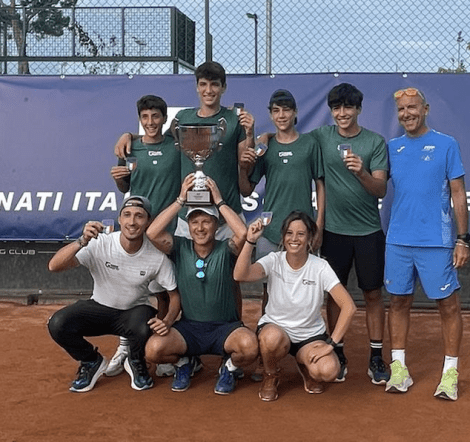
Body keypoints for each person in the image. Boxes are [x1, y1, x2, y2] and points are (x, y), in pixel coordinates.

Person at [384, 87, 470, 401]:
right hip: (398, 241)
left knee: (448, 306)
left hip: (437, 242)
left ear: (426, 109)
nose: (407, 114)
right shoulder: (392, 148)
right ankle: (399, 368)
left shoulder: (447, 145)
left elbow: (458, 193)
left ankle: (450, 373)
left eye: (412, 107)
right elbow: (376, 183)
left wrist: (462, 239)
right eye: (401, 110)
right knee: (398, 303)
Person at [47, 195, 180, 392]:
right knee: (57, 323)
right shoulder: (100, 243)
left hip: (133, 315)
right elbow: (54, 266)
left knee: (145, 321)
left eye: (139, 216)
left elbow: (173, 295)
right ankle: (92, 361)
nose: (132, 222)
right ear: (119, 219)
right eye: (127, 215)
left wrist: (167, 321)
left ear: (148, 222)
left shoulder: (157, 257)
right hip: (98, 309)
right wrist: (82, 240)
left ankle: (135, 361)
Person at [114, 61, 255, 240]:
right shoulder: (182, 117)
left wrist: (250, 133)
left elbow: (246, 164)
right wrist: (128, 136)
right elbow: (156, 139)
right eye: (203, 84)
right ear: (197, 87)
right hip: (189, 218)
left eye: (214, 85)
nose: (209, 90)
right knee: (187, 267)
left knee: (231, 268)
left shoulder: (235, 120)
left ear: (223, 88)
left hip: (227, 216)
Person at [145, 174, 259, 395]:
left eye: (206, 221)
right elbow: (151, 232)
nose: (200, 227)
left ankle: (229, 367)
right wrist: (180, 199)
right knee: (153, 350)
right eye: (194, 222)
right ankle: (184, 364)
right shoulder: (180, 247)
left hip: (225, 328)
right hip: (189, 329)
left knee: (250, 347)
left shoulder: (227, 249)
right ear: (188, 226)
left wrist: (219, 201)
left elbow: (243, 233)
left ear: (216, 224)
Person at [239, 89, 325, 380]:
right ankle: (267, 356)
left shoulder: (310, 144)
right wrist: (246, 160)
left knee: (308, 290)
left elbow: (320, 185)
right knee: (269, 292)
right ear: (271, 114)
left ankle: (304, 349)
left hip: (303, 232)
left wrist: (319, 225)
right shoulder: (266, 145)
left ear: (295, 112)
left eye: (286, 110)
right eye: (276, 111)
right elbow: (247, 188)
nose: (282, 116)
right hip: (271, 231)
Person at [309, 83, 390, 385]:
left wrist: (361, 172)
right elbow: (289, 138)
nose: (342, 113)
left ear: (358, 109)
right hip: (333, 232)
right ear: (331, 111)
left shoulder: (374, 142)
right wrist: (263, 137)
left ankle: (376, 356)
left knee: (372, 294)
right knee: (334, 293)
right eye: (336, 108)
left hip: (368, 232)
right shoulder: (321, 137)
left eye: (348, 107)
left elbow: (380, 189)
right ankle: (338, 351)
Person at [234, 211, 357, 401]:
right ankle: (271, 374)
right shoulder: (274, 260)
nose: (294, 238)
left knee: (328, 371)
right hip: (276, 330)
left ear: (309, 238)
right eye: (289, 233)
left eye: (301, 234)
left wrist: (331, 345)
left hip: (310, 336)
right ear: (283, 237)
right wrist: (250, 241)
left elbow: (349, 306)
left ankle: (304, 363)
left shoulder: (320, 267)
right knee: (271, 338)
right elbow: (240, 275)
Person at [105, 94, 181, 379]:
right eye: (145, 117)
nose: (150, 122)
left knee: (165, 293)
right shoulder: (129, 146)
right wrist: (118, 179)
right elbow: (124, 184)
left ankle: (159, 347)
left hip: (167, 231)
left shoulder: (176, 146)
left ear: (163, 118)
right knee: (130, 293)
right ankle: (125, 347)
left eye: (155, 117)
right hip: (136, 230)